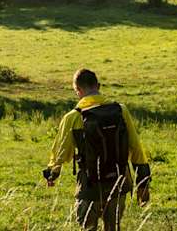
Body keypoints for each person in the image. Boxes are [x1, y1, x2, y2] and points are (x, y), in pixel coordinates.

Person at [43, 69, 151, 231]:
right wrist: (143, 181)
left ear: (77, 91)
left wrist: (52, 173)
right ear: (98, 86)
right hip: (119, 183)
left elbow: (61, 153)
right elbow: (136, 148)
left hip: (89, 187)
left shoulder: (73, 117)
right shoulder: (121, 110)